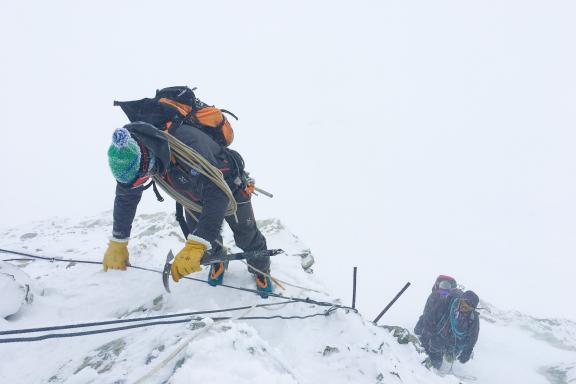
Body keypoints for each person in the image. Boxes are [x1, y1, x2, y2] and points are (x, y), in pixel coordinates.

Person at [101, 86, 273, 297]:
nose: (142, 182)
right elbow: (127, 195)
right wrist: (119, 240)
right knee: (202, 238)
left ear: (148, 160)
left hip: (228, 186)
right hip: (189, 193)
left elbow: (217, 192)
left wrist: (197, 243)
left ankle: (260, 269)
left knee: (246, 236)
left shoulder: (188, 143)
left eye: (143, 177)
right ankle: (217, 258)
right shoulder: (134, 154)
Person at [420, 289, 480, 369]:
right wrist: (431, 335)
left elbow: (473, 336)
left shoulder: (473, 318)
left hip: (451, 345)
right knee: (426, 360)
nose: (464, 309)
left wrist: (467, 351)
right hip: (435, 336)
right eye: (463, 305)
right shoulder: (445, 303)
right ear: (460, 300)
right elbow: (429, 318)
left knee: (442, 362)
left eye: (468, 308)